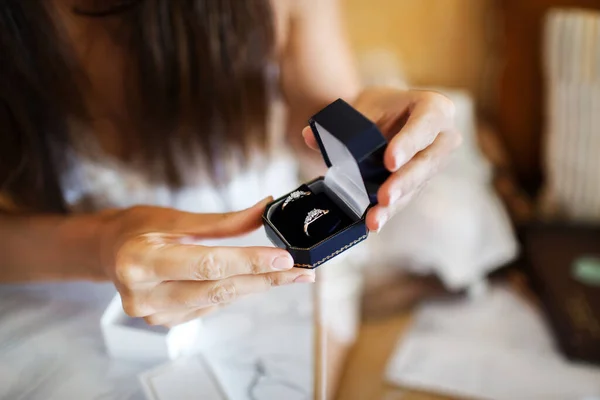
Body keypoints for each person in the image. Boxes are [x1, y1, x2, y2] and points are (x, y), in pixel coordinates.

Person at [0, 0, 461, 328]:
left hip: (274, 278)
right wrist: (101, 243)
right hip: (59, 282)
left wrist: (367, 127)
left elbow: (315, 120)